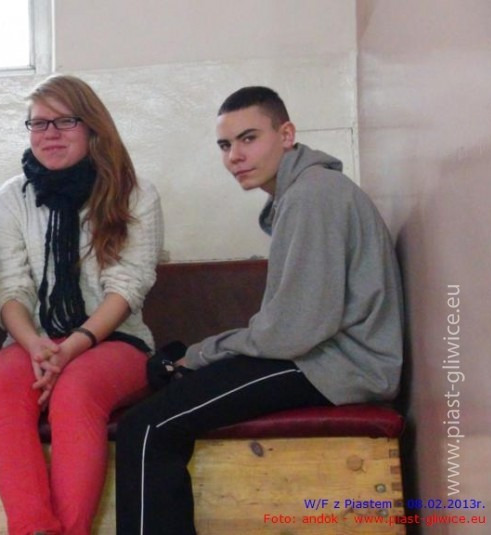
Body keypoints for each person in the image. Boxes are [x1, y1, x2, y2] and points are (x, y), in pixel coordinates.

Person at [114, 86, 404, 534]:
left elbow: (293, 332)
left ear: (286, 135)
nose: (235, 156)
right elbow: (291, 327)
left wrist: (202, 353)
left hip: (339, 366)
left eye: (249, 138)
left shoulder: (312, 195)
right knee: (165, 397)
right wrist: (203, 357)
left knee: (147, 427)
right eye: (225, 145)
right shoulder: (303, 193)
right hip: (321, 357)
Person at [0, 74, 164, 535]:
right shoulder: (11, 199)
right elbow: (10, 290)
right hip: (35, 341)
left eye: (65, 121)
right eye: (39, 124)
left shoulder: (135, 194)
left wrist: (73, 347)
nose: (50, 134)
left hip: (115, 342)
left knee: (75, 389)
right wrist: (36, 345)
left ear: (92, 127)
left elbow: (128, 286)